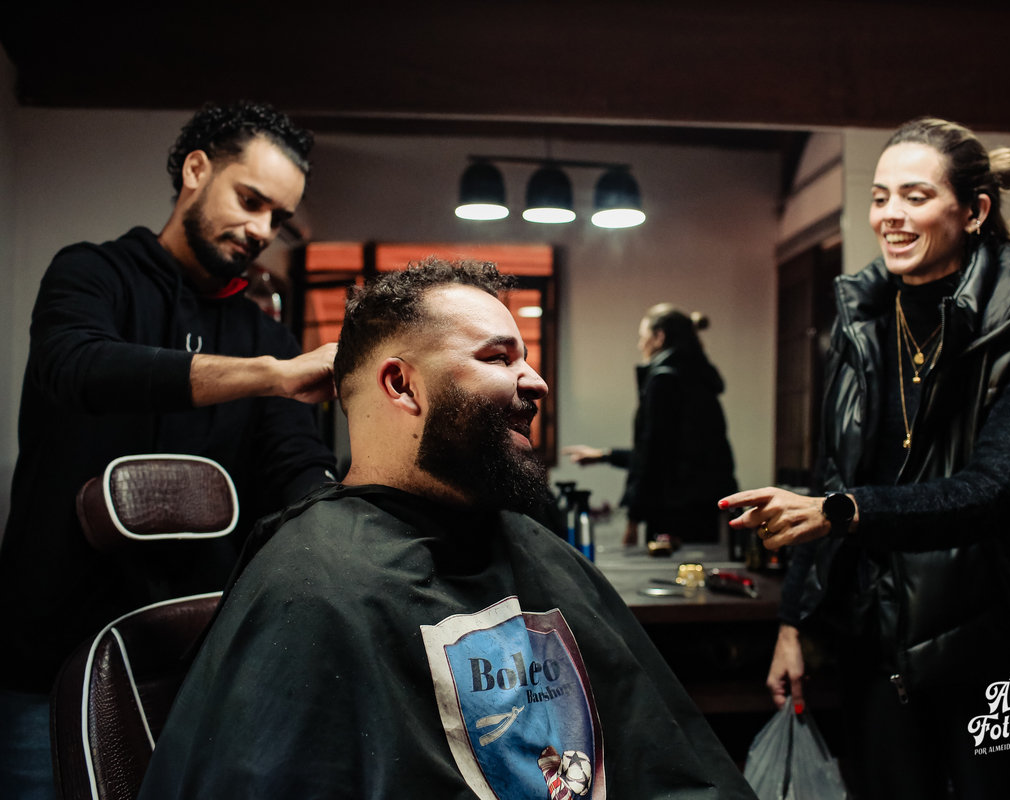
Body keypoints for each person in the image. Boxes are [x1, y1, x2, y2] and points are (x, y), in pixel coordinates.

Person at [137, 259, 756, 799]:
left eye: (525, 358)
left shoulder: (528, 546)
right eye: (498, 357)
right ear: (401, 384)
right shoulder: (312, 585)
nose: (536, 381)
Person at [721, 118, 1010, 799]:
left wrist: (840, 512)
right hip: (881, 641)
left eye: (916, 196)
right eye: (880, 197)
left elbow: (994, 490)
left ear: (975, 210)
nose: (890, 216)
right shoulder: (864, 328)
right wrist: (793, 624)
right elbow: (833, 478)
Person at [0, 102, 337, 799]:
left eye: (278, 218)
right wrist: (267, 376)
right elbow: (79, 367)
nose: (262, 230)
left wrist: (357, 523)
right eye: (251, 201)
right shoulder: (91, 274)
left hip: (198, 663)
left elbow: (295, 468)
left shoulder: (265, 335)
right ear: (196, 169)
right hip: (49, 657)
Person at [564, 304, 737, 544]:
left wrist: (633, 520)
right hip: (705, 507)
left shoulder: (665, 380)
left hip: (673, 510)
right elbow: (673, 450)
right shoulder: (697, 377)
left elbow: (654, 454)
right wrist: (604, 456)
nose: (640, 344)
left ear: (659, 337)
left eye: (642, 336)